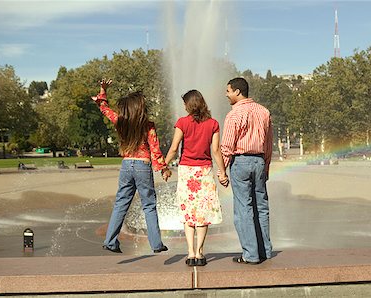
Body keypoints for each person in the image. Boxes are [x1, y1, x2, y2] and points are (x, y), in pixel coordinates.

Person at [92, 79, 171, 254]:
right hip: (143, 165)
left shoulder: (120, 121)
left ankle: (110, 240)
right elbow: (155, 149)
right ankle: (156, 244)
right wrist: (163, 168)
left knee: (121, 203)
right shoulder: (148, 125)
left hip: (126, 164)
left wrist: (103, 90)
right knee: (149, 205)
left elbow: (104, 108)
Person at [165, 89, 229, 266]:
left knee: (189, 213)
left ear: (188, 104)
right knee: (203, 213)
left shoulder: (182, 123)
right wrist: (223, 172)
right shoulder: (213, 124)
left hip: (186, 171)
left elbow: (174, 148)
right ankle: (200, 252)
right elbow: (216, 150)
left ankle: (190, 253)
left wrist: (163, 165)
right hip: (205, 171)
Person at [220, 77, 273, 264]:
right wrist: (265, 166)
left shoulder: (234, 115)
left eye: (228, 91)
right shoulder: (264, 112)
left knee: (244, 209)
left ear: (237, 91)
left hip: (241, 162)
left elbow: (226, 146)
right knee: (262, 207)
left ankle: (250, 254)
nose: (226, 95)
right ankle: (265, 250)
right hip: (259, 161)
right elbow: (268, 144)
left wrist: (222, 171)